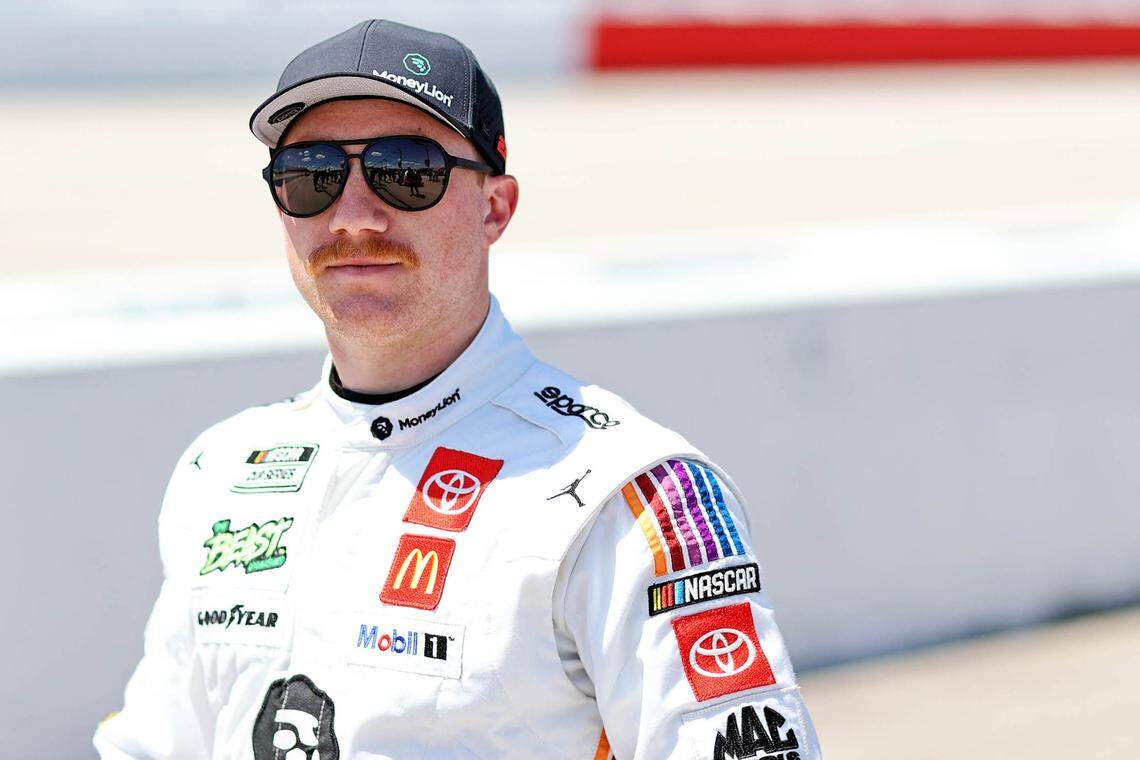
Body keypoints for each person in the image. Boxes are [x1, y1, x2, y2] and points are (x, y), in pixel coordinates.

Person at [94, 18, 822, 760]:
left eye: (406, 171)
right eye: (311, 174)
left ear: (494, 208)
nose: (352, 217)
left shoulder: (630, 492)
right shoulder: (222, 469)